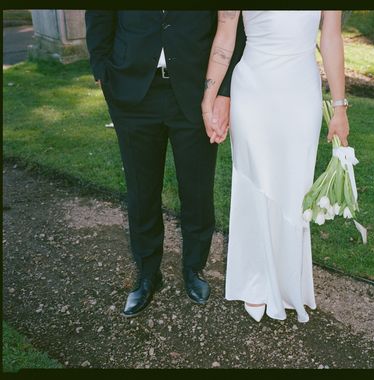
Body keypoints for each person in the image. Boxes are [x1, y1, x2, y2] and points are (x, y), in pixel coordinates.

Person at [85, 11, 245, 317]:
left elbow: (233, 26)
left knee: (197, 191)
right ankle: (147, 274)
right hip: (132, 95)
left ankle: (194, 269)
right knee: (141, 191)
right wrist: (101, 69)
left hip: (197, 92)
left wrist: (223, 92)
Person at [202, 11, 350, 322]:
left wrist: (339, 107)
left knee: (295, 186)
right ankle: (254, 280)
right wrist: (209, 96)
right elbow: (225, 36)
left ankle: (287, 281)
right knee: (254, 181)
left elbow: (331, 37)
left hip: (301, 92)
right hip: (253, 89)